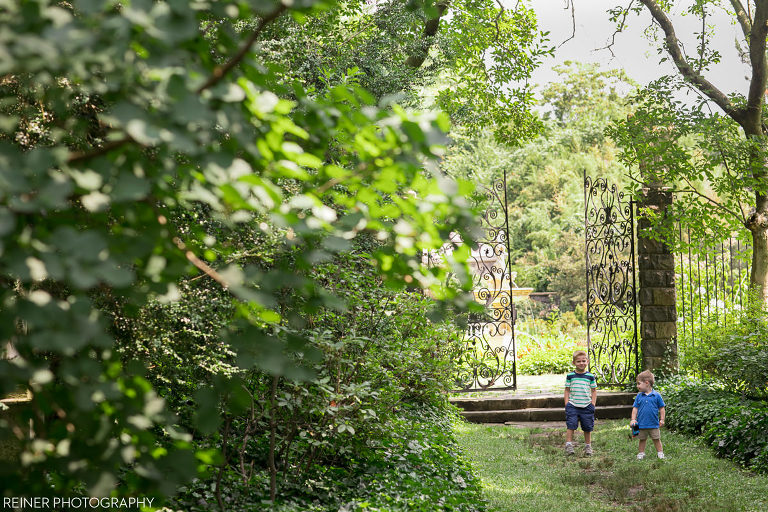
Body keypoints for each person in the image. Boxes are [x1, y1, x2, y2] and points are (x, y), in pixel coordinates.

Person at [564, 350, 597, 456]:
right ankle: (569, 445)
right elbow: (567, 390)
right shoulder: (570, 376)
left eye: (584, 361)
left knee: (587, 427)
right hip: (573, 405)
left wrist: (593, 404)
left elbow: (594, 390)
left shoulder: (590, 376)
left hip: (587, 405)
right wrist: (566, 403)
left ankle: (588, 446)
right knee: (571, 425)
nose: (581, 363)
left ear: (587, 361)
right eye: (578, 361)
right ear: (574, 363)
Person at [630, 370, 666, 460]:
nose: (637, 386)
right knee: (642, 439)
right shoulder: (639, 396)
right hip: (641, 424)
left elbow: (662, 408)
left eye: (639, 383)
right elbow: (635, 408)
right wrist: (633, 419)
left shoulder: (656, 395)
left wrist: (662, 419)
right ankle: (641, 453)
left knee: (656, 438)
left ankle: (660, 453)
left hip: (653, 423)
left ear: (646, 383)